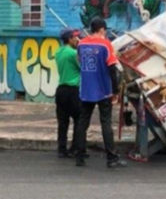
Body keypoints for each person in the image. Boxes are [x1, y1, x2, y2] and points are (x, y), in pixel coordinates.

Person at [73, 17, 127, 169]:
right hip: (103, 90)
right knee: (106, 123)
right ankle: (111, 158)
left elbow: (80, 62)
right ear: (102, 29)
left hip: (86, 90)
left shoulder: (81, 44)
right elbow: (112, 68)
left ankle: (80, 157)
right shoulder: (105, 45)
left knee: (82, 124)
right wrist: (115, 91)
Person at [54, 28, 83, 159]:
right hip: (73, 89)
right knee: (79, 119)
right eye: (75, 37)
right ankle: (75, 148)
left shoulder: (58, 52)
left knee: (63, 121)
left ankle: (62, 148)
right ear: (69, 39)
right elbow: (82, 67)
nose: (77, 39)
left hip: (61, 89)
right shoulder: (73, 53)